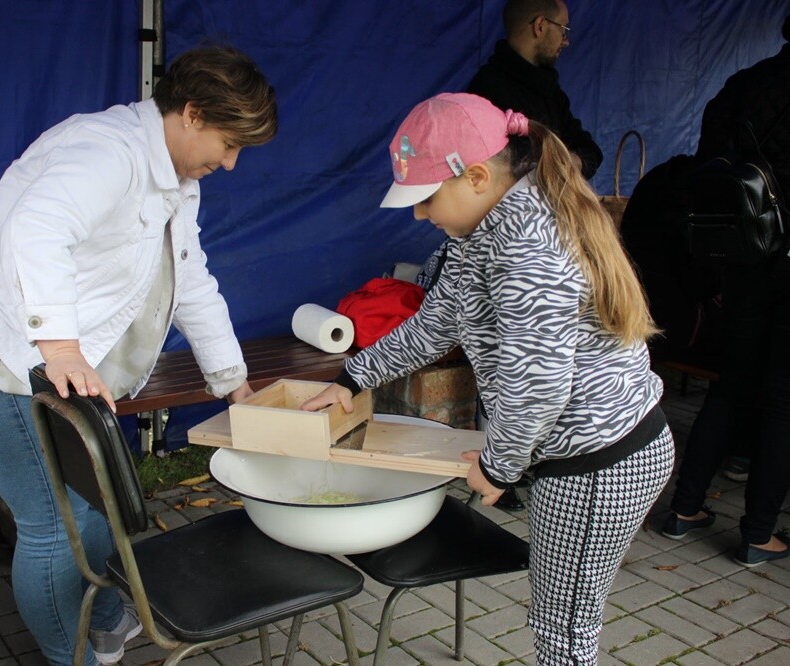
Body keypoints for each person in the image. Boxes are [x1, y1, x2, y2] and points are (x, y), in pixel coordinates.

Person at [0, 45, 277, 665]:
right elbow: (40, 228)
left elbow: (190, 278)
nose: (233, 163)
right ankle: (72, 655)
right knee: (58, 525)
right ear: (191, 113)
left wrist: (233, 384)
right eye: (229, 143)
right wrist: (60, 346)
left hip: (34, 370)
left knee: (96, 504)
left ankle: (108, 620)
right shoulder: (107, 151)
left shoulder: (177, 178)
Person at [302, 93, 673, 664]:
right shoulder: (482, 231)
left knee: (564, 633)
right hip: (584, 456)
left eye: (426, 199)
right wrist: (352, 378)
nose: (419, 215)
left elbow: (539, 383)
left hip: (599, 462)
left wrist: (500, 466)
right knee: (561, 623)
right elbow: (434, 324)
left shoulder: (527, 244)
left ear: (475, 176)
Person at [660, 15, 790, 567]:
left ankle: (683, 509)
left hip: (742, 261)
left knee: (731, 387)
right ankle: (758, 535)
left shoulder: (744, 84)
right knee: (784, 404)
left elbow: (709, 169)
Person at [467, 0, 602, 179]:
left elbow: (590, 150)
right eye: (564, 30)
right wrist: (560, 163)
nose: (566, 41)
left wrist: (572, 162)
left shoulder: (551, 90)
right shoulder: (485, 90)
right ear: (540, 26)